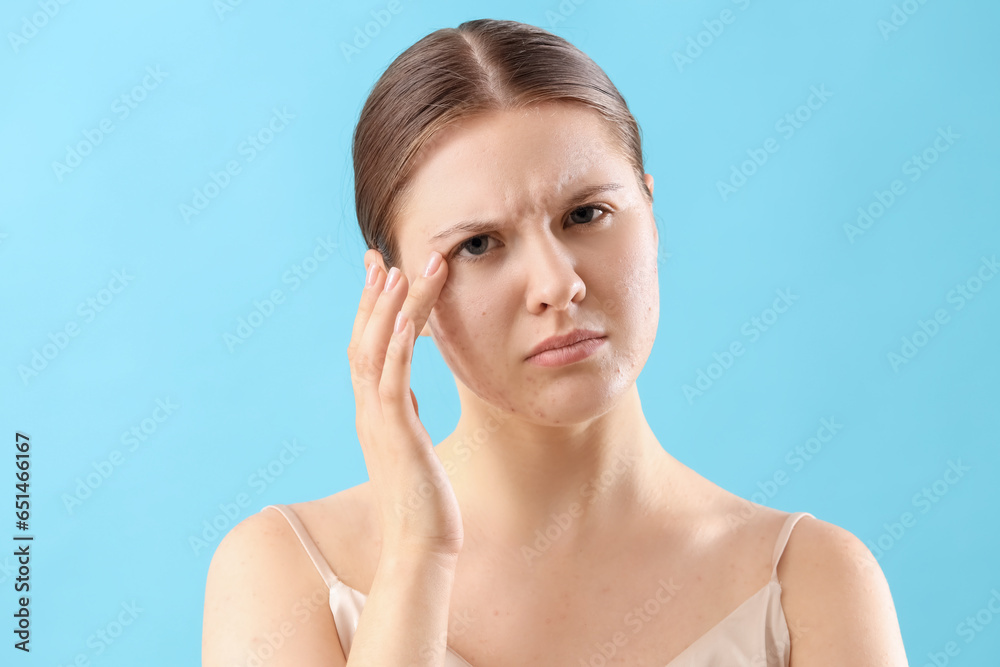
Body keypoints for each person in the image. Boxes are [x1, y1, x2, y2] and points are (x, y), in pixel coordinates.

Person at [202, 18, 908, 666]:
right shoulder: (284, 571)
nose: (556, 283)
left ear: (651, 215)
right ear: (394, 288)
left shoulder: (811, 582)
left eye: (587, 214)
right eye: (478, 244)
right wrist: (418, 555)